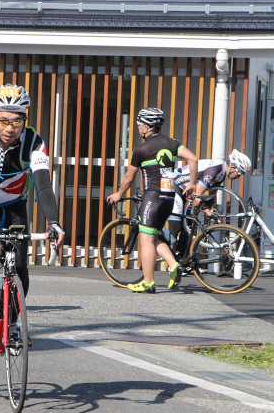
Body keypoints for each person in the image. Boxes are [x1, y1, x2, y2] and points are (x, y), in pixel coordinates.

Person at [0, 84, 64, 346]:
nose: (10, 128)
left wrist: (54, 222)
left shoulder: (34, 142)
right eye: (3, 120)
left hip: (14, 205)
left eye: (17, 121)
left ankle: (13, 323)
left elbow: (43, 183)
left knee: (19, 264)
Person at [107, 107, 198, 293]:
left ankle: (148, 282)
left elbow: (129, 178)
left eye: (139, 125)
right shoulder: (173, 143)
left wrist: (118, 194)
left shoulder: (141, 149)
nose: (139, 128)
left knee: (146, 240)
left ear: (146, 127)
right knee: (154, 236)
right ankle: (173, 265)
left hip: (152, 197)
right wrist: (192, 184)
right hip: (169, 198)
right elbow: (193, 159)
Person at [167, 149, 251, 255]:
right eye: (239, 174)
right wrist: (208, 212)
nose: (238, 178)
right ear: (233, 167)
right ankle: (172, 263)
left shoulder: (222, 173)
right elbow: (197, 194)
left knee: (187, 226)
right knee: (175, 226)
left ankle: (182, 259)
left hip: (187, 192)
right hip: (177, 186)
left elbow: (213, 193)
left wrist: (213, 208)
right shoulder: (213, 171)